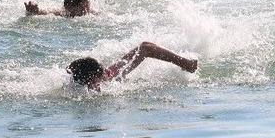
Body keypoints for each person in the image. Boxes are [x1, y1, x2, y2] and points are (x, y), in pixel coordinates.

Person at [67, 42, 198, 91]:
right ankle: (186, 64)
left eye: (104, 71)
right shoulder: (105, 83)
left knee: (145, 46)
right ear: (92, 80)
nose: (106, 73)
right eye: (102, 74)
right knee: (145, 48)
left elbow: (145, 47)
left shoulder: (77, 83)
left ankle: (186, 64)